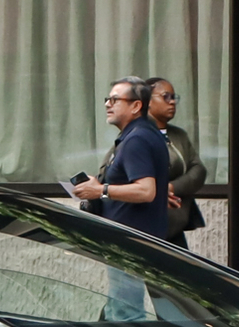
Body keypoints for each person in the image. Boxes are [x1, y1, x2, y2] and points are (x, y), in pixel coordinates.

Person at [74, 77, 170, 235]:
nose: (107, 104)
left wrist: (100, 190)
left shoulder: (137, 140)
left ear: (136, 106)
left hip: (135, 243)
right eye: (108, 99)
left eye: (115, 100)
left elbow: (146, 191)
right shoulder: (142, 134)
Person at [148, 78, 208, 244]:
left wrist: (171, 187)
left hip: (174, 230)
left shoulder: (178, 135)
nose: (172, 102)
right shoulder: (138, 135)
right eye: (166, 96)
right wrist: (157, 191)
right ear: (148, 101)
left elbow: (198, 170)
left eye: (174, 97)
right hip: (146, 230)